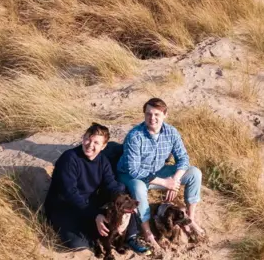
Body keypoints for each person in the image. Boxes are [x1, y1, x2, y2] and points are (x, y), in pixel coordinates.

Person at [44, 123, 149, 255]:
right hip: (65, 206)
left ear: (103, 146)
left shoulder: (102, 160)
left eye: (96, 142)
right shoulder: (69, 158)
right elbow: (70, 193)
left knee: (124, 197)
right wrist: (95, 215)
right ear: (83, 138)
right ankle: (95, 241)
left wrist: (122, 202)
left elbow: (111, 184)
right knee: (77, 243)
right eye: (88, 138)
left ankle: (130, 236)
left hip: (89, 201)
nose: (90, 145)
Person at [116, 98, 204, 247]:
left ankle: (190, 219)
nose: (152, 118)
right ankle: (147, 232)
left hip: (158, 169)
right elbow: (134, 170)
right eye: (148, 114)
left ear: (165, 114)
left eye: (157, 114)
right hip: (132, 175)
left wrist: (175, 181)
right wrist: (164, 183)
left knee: (195, 173)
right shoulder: (135, 136)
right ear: (144, 115)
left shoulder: (171, 132)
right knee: (138, 188)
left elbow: (183, 158)